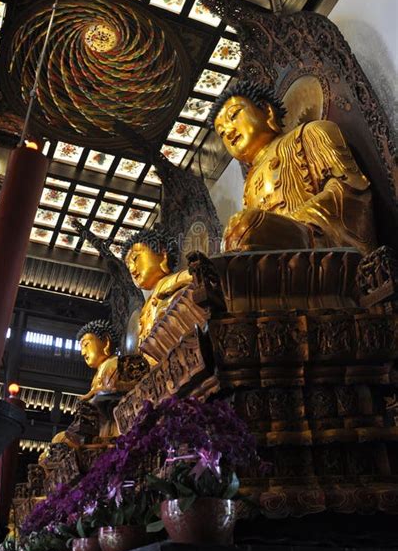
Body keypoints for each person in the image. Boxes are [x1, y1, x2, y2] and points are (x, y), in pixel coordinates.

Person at [209, 80, 376, 254]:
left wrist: (288, 226)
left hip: (316, 246)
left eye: (234, 115)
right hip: (276, 260)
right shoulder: (248, 186)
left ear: (267, 111)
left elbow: (349, 193)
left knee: (246, 225)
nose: (228, 131)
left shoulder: (311, 133)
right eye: (221, 132)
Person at [122, 226, 192, 357]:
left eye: (136, 258)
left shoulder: (182, 281)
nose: (132, 269)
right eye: (128, 265)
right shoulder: (143, 311)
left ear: (163, 255)